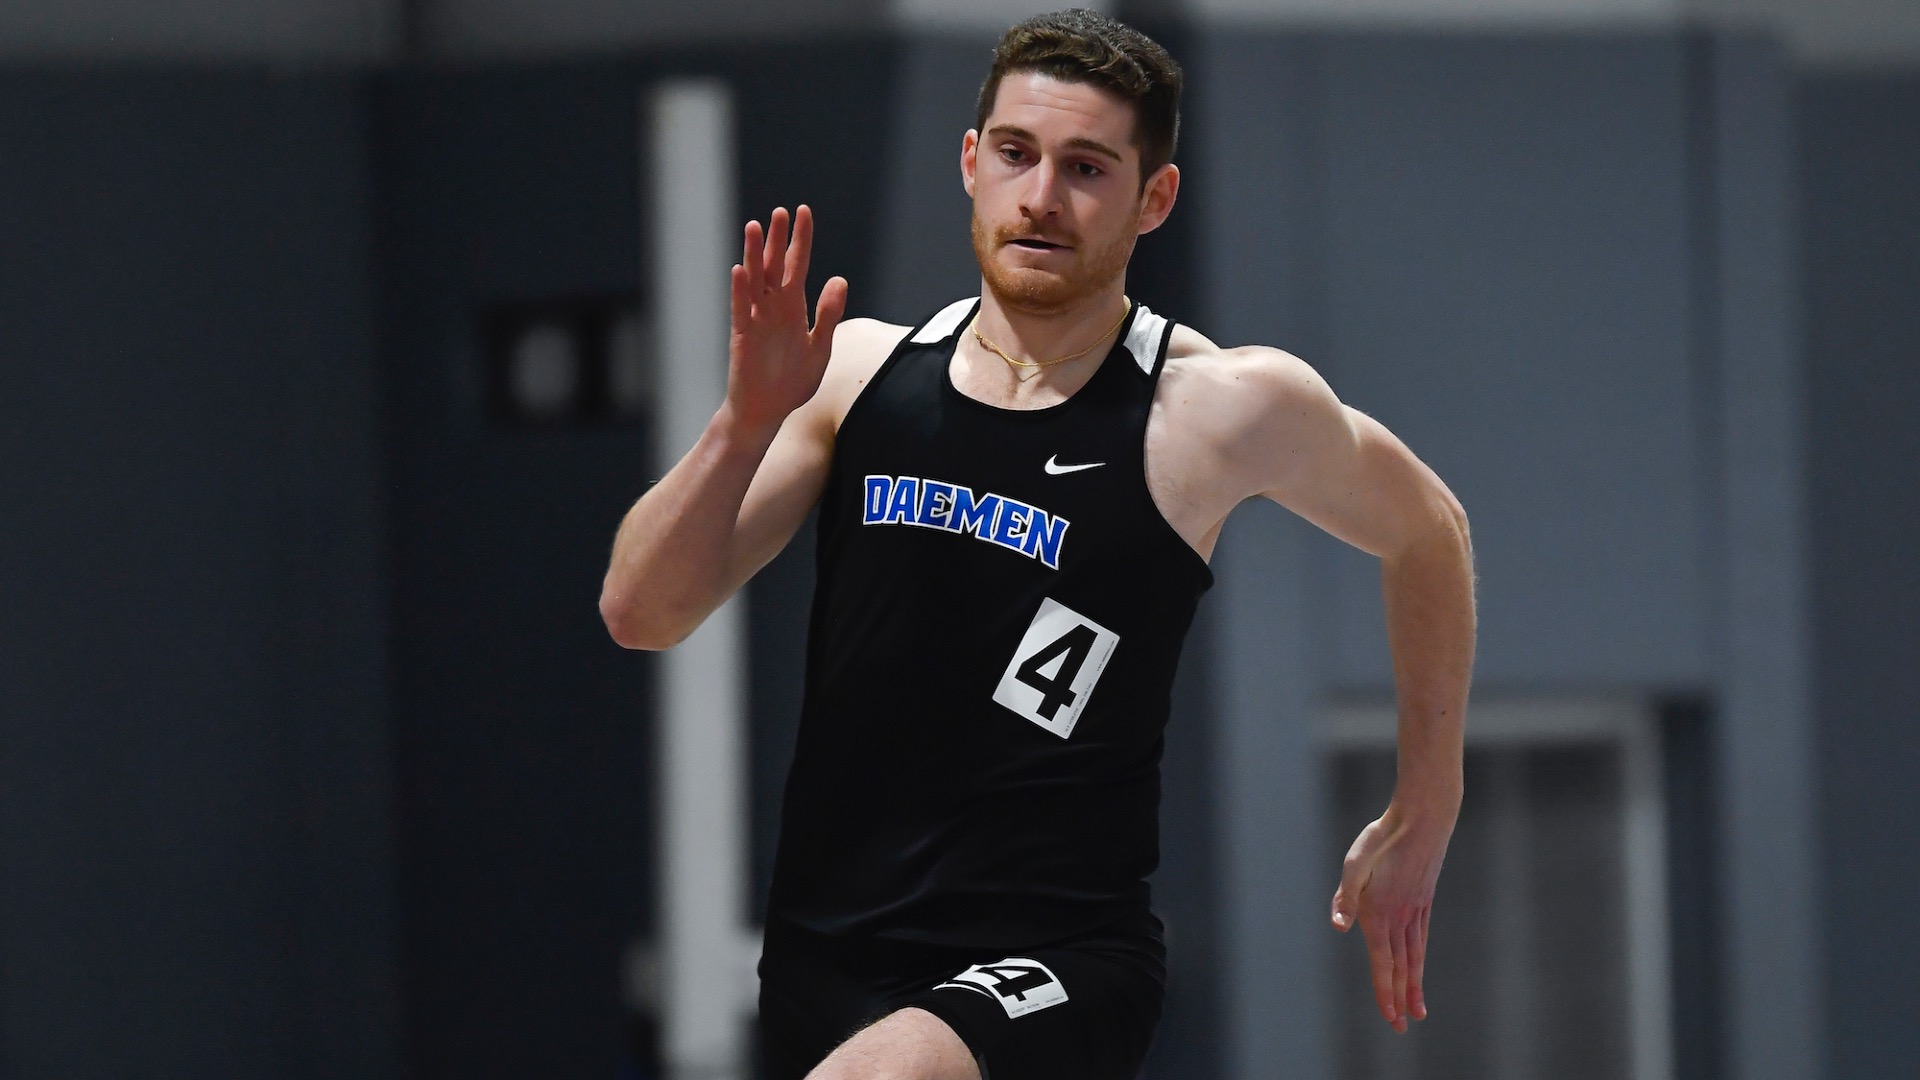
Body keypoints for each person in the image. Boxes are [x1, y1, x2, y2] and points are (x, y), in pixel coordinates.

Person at [599, 9, 1474, 1079]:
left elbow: (1429, 529)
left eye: (1087, 167)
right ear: (971, 163)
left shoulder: (1218, 408)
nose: (1043, 196)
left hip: (1058, 959)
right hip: (826, 958)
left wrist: (1425, 806)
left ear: (1154, 198)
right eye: (1016, 154)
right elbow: (643, 612)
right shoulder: (859, 378)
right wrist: (742, 426)